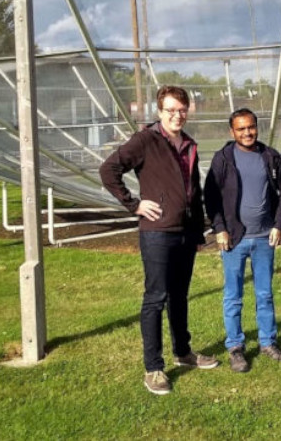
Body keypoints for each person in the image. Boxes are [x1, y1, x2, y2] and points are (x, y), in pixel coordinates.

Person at [99, 85, 219, 395]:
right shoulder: (146, 140)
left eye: (181, 110)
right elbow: (108, 169)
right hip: (157, 232)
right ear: (159, 112)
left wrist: (196, 232)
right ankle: (153, 367)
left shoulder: (189, 144)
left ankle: (183, 353)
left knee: (180, 296)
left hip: (184, 233)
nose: (177, 115)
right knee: (156, 298)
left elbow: (194, 192)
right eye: (170, 110)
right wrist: (134, 203)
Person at [204, 108, 281, 373]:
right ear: (232, 131)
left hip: (265, 238)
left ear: (257, 127)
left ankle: (268, 342)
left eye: (251, 127)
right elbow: (211, 197)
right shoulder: (223, 159)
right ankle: (235, 347)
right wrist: (220, 228)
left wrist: (279, 225)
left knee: (264, 294)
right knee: (233, 296)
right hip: (233, 239)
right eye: (241, 128)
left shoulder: (270, 156)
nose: (247, 133)